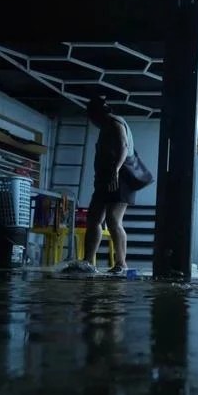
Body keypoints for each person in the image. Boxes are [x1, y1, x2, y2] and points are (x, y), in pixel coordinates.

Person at [80, 95, 134, 274]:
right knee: (93, 219)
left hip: (120, 177)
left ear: (97, 114)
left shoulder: (115, 122)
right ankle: (88, 262)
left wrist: (116, 170)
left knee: (113, 219)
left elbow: (124, 146)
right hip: (104, 178)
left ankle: (121, 264)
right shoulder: (105, 126)